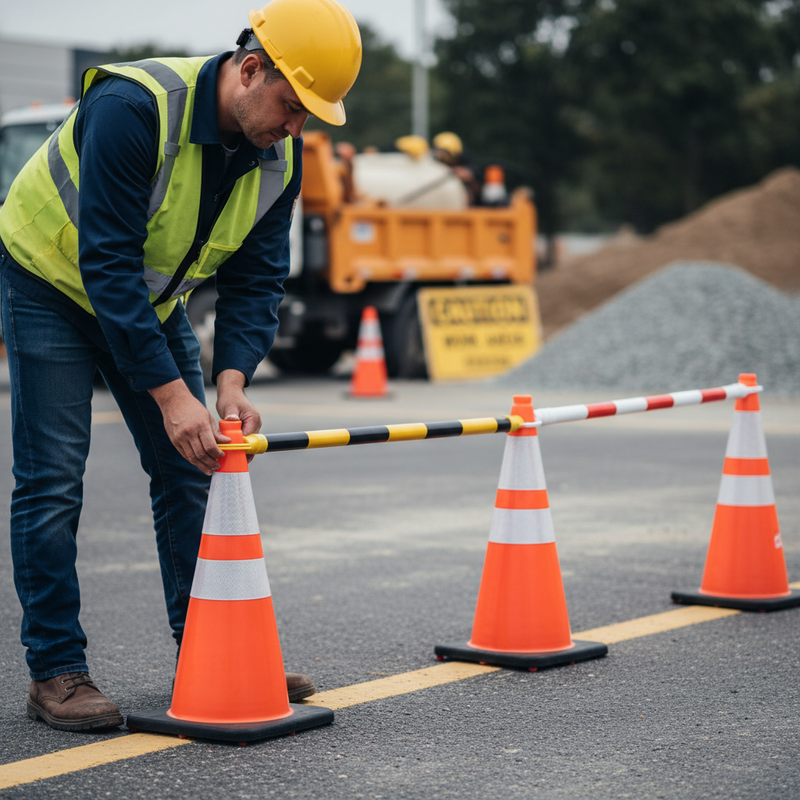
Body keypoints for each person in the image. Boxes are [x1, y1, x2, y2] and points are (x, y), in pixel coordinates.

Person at [0, 0, 361, 732]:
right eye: (292, 107)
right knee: (53, 481)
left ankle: (212, 649)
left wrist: (231, 381)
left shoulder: (278, 156)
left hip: (148, 297)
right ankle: (56, 671)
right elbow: (106, 261)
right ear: (250, 69)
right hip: (50, 283)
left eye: (308, 116)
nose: (296, 128)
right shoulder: (133, 108)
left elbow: (258, 277)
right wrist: (171, 395)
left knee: (190, 467)